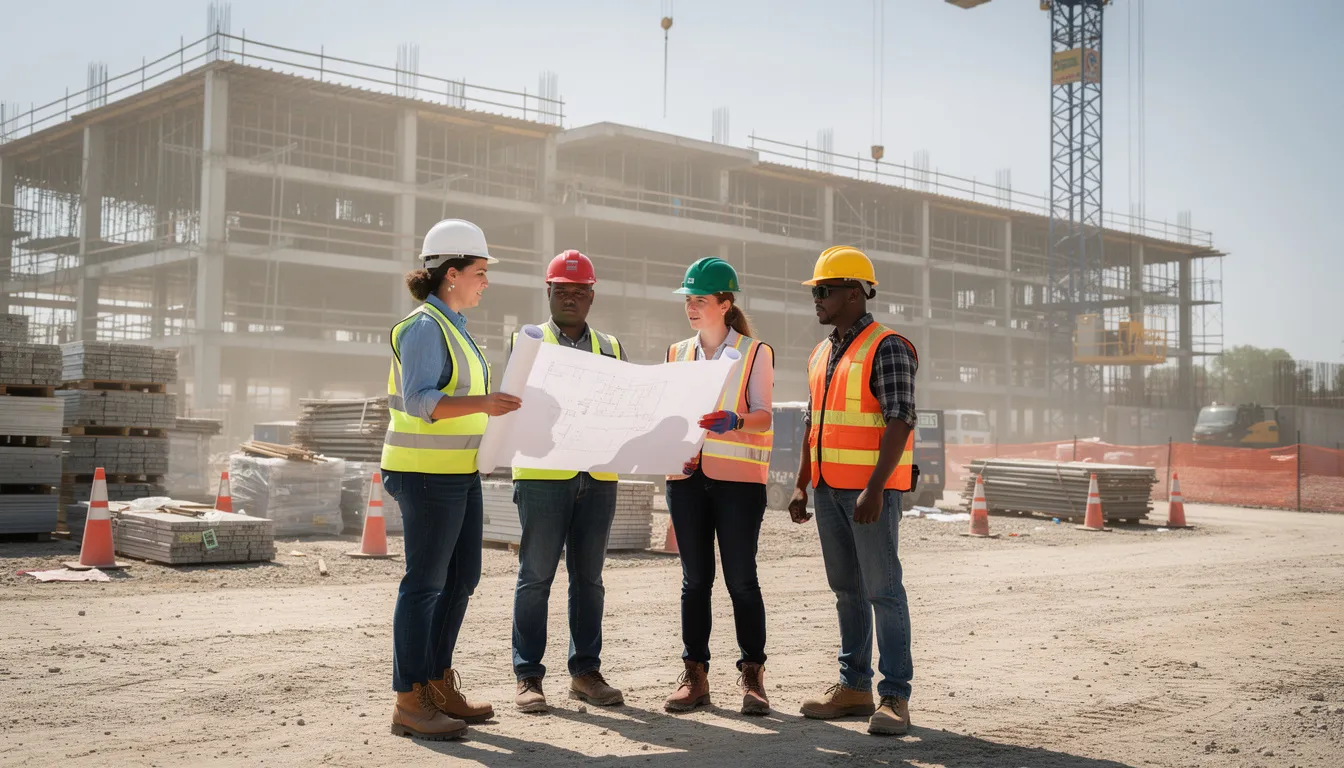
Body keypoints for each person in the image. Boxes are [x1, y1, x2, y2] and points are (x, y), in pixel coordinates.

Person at [383, 218, 522, 742]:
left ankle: (437, 683)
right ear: (451, 274)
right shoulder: (423, 326)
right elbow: (420, 401)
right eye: (481, 272)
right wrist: (486, 403)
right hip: (424, 475)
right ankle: (409, 699)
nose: (486, 282)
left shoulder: (457, 327)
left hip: (457, 473)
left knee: (463, 579)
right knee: (423, 586)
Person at [788, 245, 920, 736]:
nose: (816, 299)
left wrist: (875, 489)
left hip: (867, 496)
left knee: (883, 591)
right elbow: (813, 427)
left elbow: (900, 421)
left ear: (853, 292)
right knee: (846, 592)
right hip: (827, 491)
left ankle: (894, 697)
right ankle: (854, 686)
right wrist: (802, 484)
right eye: (816, 292)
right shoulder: (822, 352)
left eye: (823, 291)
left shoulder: (887, 346)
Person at [509, 250, 629, 714]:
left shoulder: (612, 346)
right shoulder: (529, 340)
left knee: (589, 580)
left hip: (597, 477)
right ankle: (528, 677)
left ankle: (585, 672)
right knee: (535, 577)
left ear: (592, 296)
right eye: (563, 291)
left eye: (580, 292)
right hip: (544, 477)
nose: (571, 299)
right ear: (549, 293)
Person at [662, 256, 776, 716]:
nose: (691, 307)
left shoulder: (754, 352)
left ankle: (752, 675)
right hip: (686, 480)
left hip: (738, 484)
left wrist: (737, 421)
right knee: (695, 583)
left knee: (742, 580)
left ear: (726, 304)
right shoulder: (676, 353)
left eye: (701, 300)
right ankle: (696, 676)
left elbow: (766, 416)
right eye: (688, 300)